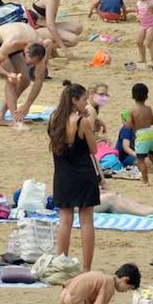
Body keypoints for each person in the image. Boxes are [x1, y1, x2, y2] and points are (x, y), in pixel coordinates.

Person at [50, 81, 102, 271]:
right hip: (83, 174)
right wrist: (90, 126)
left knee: (65, 220)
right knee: (86, 221)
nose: (86, 104)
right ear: (74, 100)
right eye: (83, 100)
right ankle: (86, 267)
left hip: (63, 175)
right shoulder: (82, 122)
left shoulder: (54, 119)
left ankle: (60, 263)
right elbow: (94, 149)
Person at [59, 264, 141, 304]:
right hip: (74, 297)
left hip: (65, 292)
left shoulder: (104, 277)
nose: (126, 291)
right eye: (129, 288)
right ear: (125, 280)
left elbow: (90, 300)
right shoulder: (109, 286)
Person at [129, 82, 153, 186]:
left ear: (133, 96)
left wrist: (125, 120)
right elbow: (152, 122)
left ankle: (145, 181)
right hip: (151, 133)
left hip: (141, 135)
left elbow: (129, 125)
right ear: (146, 96)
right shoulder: (148, 109)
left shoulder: (131, 110)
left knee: (140, 160)